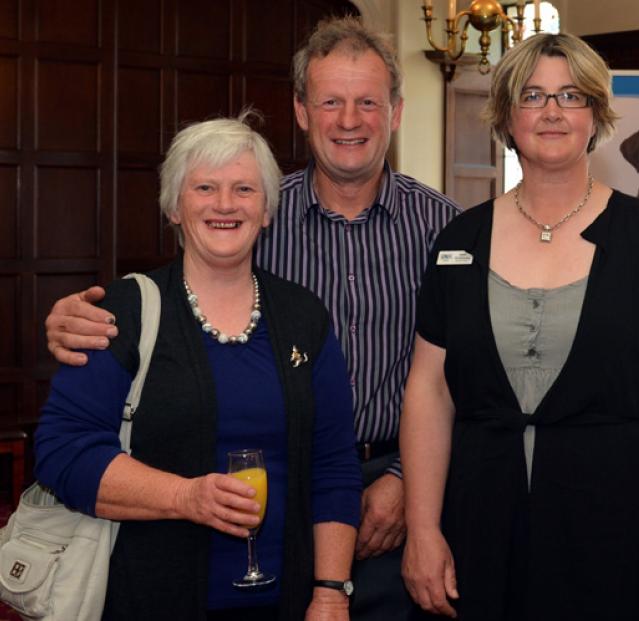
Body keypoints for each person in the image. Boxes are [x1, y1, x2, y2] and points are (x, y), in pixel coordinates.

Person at [43, 17, 460, 621]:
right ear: (300, 110)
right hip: (260, 504)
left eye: (367, 102)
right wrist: (66, 319)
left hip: (405, 482)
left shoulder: (445, 228)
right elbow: (80, 424)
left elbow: (468, 369)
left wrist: (405, 483)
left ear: (395, 112)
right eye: (331, 102)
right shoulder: (258, 208)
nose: (349, 120)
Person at [400, 33, 639, 620]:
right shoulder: (459, 240)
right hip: (474, 525)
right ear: (506, 117)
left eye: (570, 96)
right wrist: (421, 530)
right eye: (532, 95)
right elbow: (429, 391)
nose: (551, 111)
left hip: (614, 522)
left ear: (595, 115)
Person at [34, 112, 362, 621]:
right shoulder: (124, 311)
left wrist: (329, 590)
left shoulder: (304, 316)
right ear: (174, 208)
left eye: (244, 189)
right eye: (204, 187)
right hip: (151, 597)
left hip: (291, 601)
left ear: (268, 209)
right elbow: (62, 453)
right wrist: (186, 497)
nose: (225, 205)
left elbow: (334, 465)